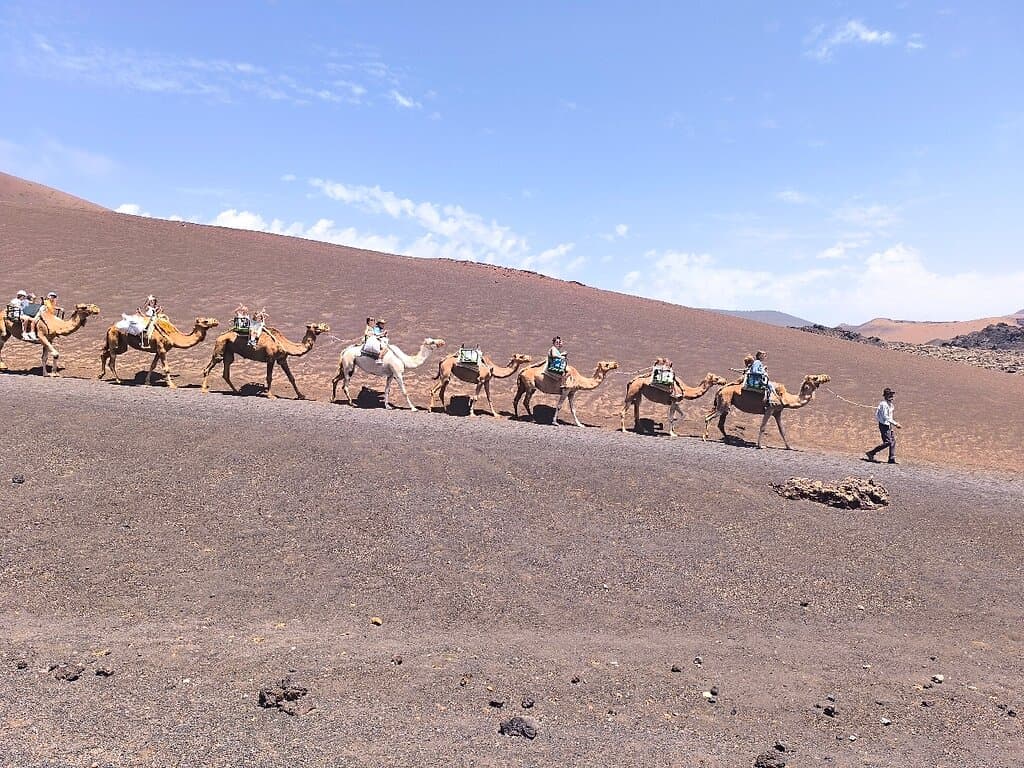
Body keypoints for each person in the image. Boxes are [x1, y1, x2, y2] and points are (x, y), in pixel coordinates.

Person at [866, 387, 902, 464]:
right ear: (885, 396)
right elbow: (886, 416)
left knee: (893, 441)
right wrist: (895, 424)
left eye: (891, 394)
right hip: (883, 425)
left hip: (888, 425)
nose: (891, 396)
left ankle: (891, 459)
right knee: (888, 442)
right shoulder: (883, 404)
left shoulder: (890, 405)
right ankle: (871, 453)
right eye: (889, 395)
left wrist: (892, 425)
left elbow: (889, 416)